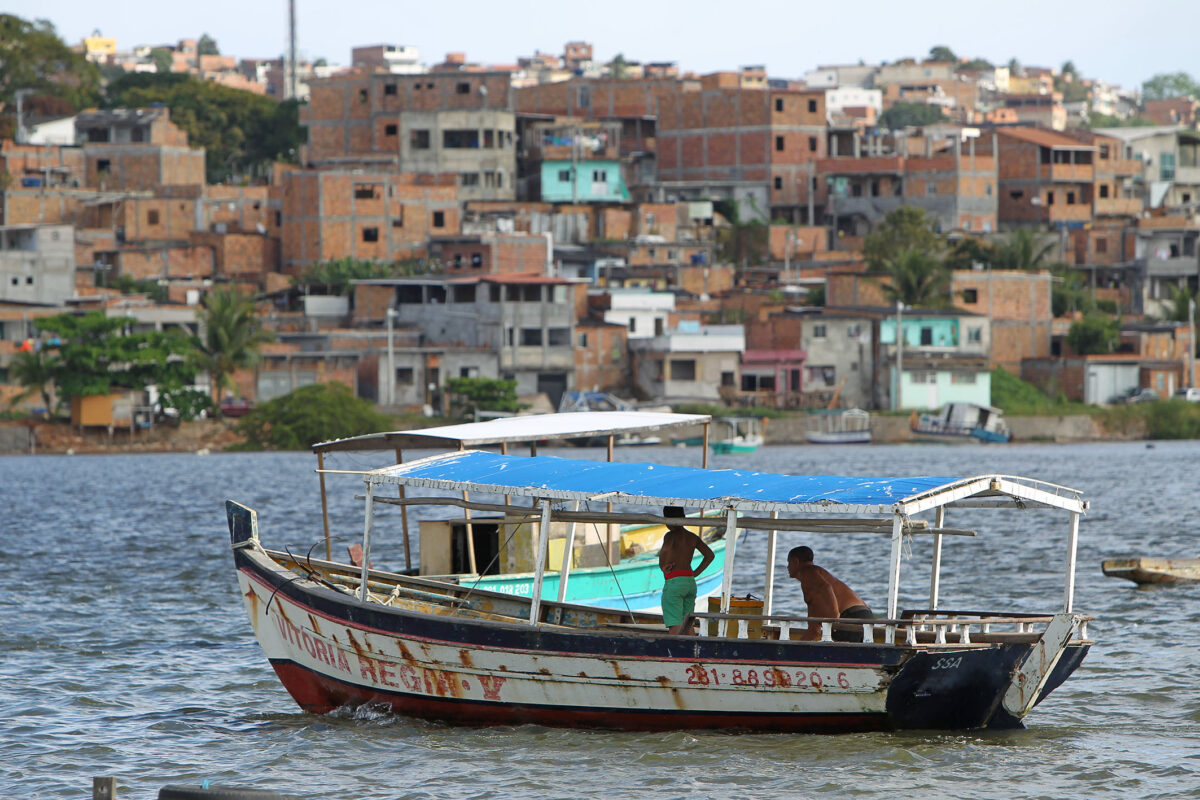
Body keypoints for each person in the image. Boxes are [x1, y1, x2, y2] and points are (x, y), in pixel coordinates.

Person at [786, 546, 873, 642]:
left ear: (795, 561)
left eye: (788, 562)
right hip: (863, 615)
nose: (787, 567)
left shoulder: (808, 571)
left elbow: (826, 588)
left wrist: (834, 616)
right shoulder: (813, 584)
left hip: (851, 616)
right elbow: (814, 630)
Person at [658, 506, 715, 635]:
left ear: (667, 521)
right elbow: (710, 555)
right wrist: (695, 573)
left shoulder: (670, 536)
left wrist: (663, 566)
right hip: (689, 581)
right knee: (688, 622)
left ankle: (675, 652)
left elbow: (665, 551)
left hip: (675, 582)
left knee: (675, 623)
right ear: (683, 518)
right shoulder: (691, 536)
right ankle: (692, 652)